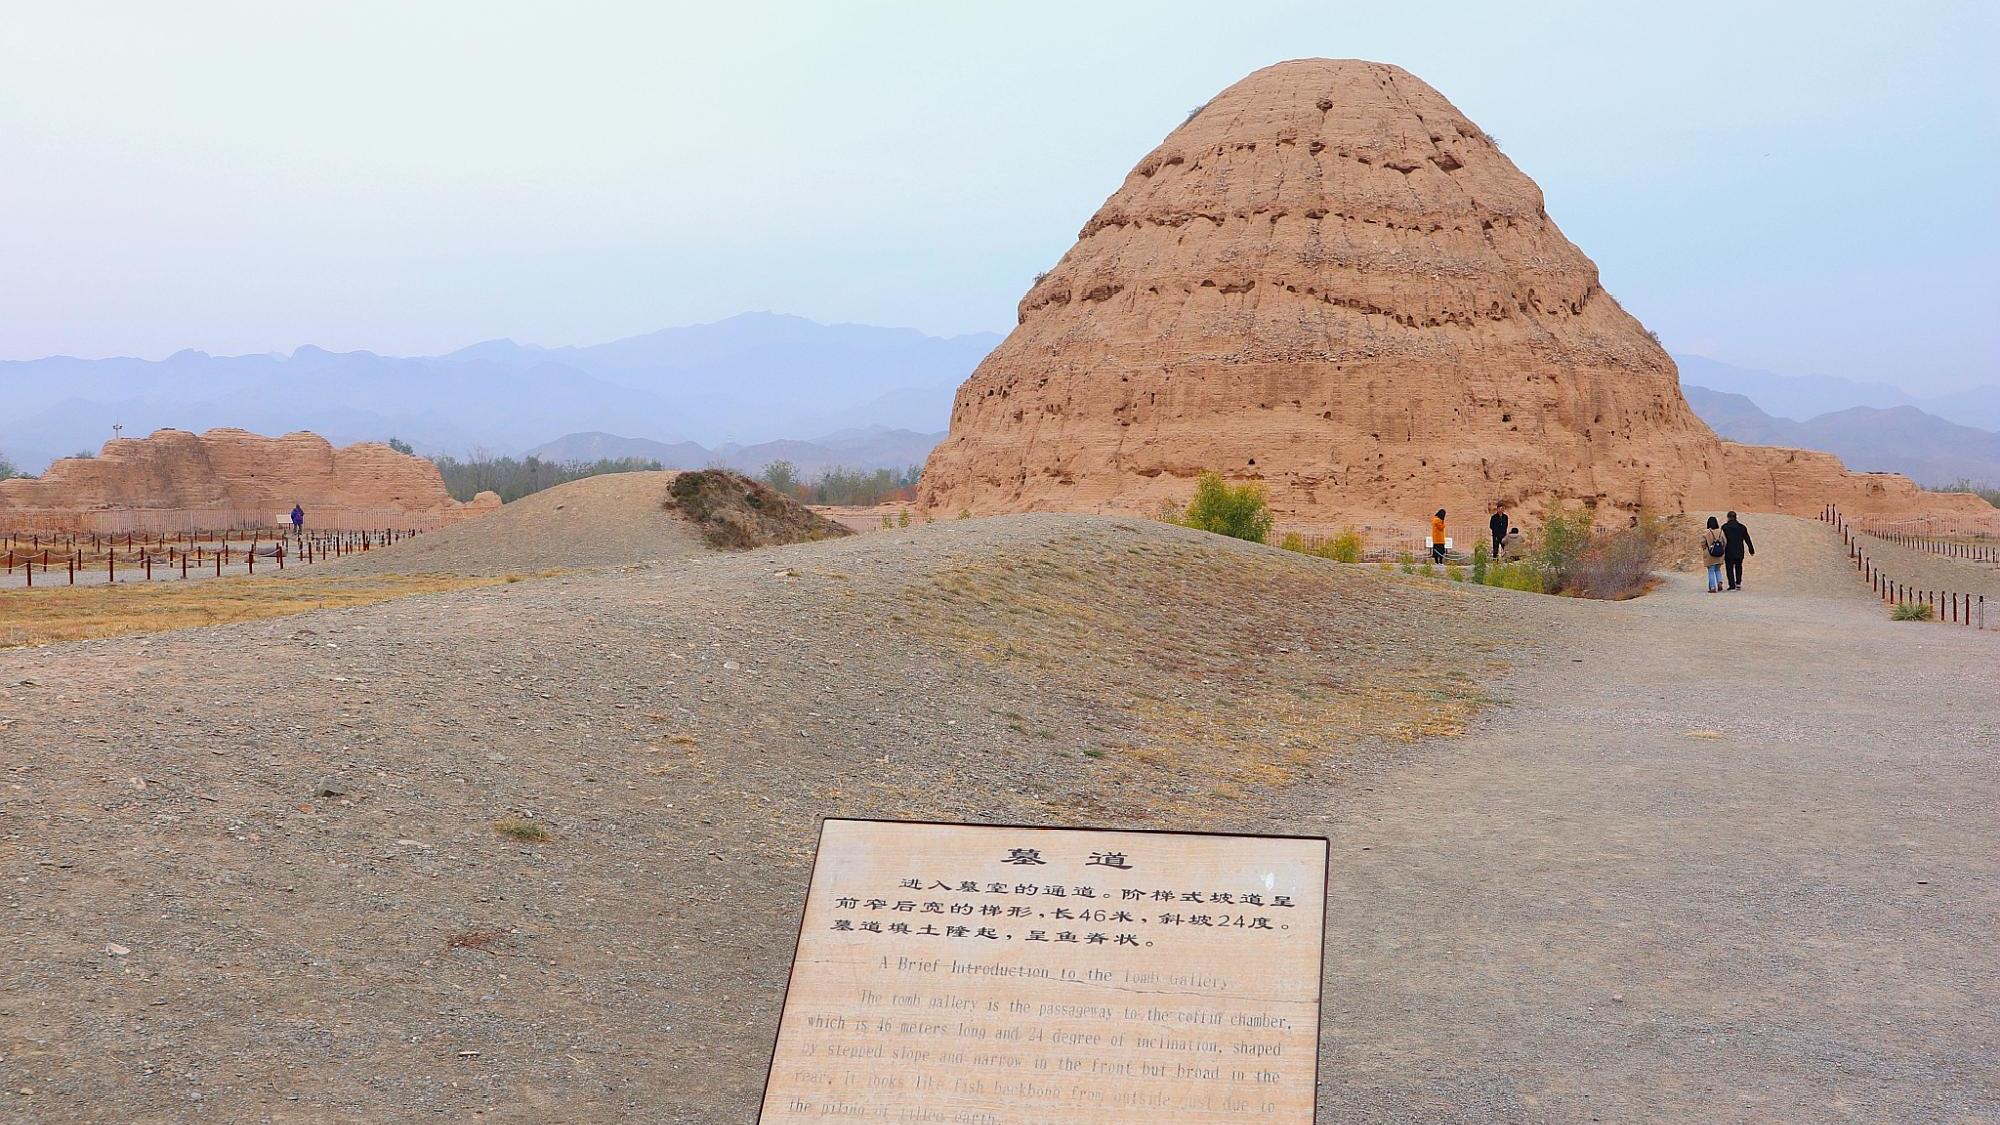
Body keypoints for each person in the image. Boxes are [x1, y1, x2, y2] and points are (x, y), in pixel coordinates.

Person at [1721, 510, 1754, 590]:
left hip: (1728, 551)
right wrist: (1751, 550)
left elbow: (1721, 539)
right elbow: (1747, 539)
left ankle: (1732, 585)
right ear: (1736, 517)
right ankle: (1738, 583)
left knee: (1729, 568)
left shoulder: (1725, 527)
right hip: (1739, 551)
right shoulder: (1742, 527)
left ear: (1728, 517)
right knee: (1739, 567)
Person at [1701, 516, 1726, 593]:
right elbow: (1725, 542)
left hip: (1709, 554)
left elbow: (1702, 543)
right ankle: (1719, 582)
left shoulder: (1706, 532)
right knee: (1717, 569)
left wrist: (1706, 549)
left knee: (1711, 570)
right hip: (1719, 554)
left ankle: (1712, 587)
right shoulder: (1721, 531)